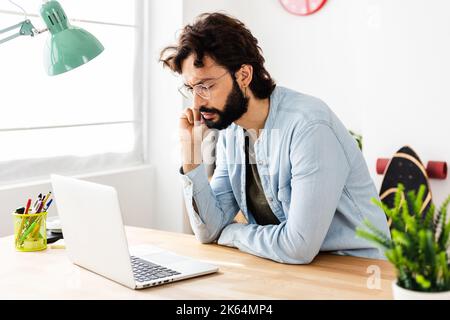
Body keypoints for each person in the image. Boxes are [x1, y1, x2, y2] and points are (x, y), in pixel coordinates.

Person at [159, 12, 390, 264]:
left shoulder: (309, 127)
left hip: (355, 272)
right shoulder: (233, 132)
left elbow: (298, 246)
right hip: (293, 270)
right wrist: (190, 152)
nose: (196, 102)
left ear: (244, 75)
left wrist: (233, 233)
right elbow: (209, 230)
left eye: (206, 86)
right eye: (192, 88)